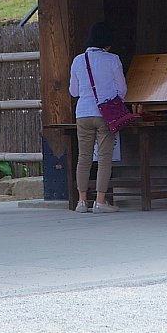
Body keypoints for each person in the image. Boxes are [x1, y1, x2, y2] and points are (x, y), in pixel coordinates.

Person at [68, 20, 126, 213]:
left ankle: (82, 201)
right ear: (107, 41)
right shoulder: (113, 59)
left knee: (84, 158)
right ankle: (100, 201)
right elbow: (122, 89)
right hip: (105, 114)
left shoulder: (78, 60)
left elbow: (74, 91)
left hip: (83, 113)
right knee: (104, 158)